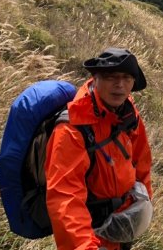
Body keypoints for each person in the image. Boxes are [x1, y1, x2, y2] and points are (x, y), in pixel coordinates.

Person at [45, 48, 153, 250]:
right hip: (91, 233)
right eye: (110, 76)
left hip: (122, 226)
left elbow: (142, 163)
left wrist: (141, 208)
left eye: (126, 77)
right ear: (95, 78)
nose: (119, 85)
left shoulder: (128, 114)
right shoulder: (72, 129)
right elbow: (65, 197)